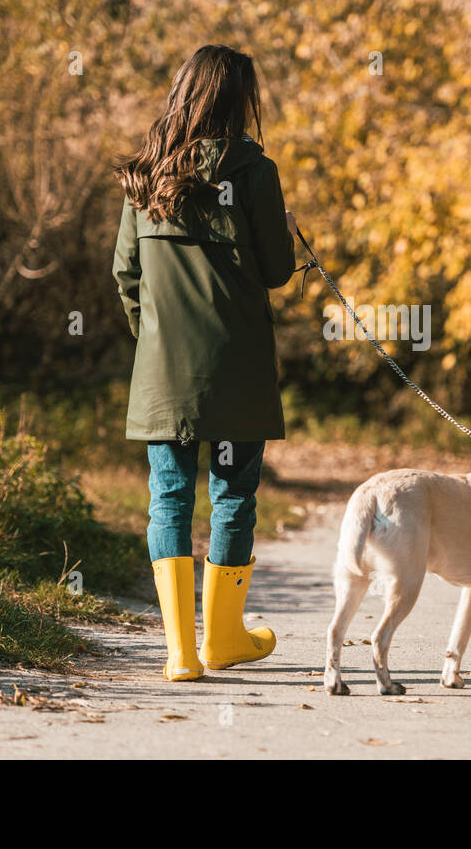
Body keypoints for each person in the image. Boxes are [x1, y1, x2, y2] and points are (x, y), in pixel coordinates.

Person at [112, 44, 298, 681]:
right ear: (235, 98)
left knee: (167, 498)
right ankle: (222, 638)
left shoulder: (146, 174)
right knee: (232, 497)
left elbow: (125, 274)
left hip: (164, 376)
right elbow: (276, 271)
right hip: (237, 372)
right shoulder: (254, 170)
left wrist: (155, 342)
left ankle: (179, 653)